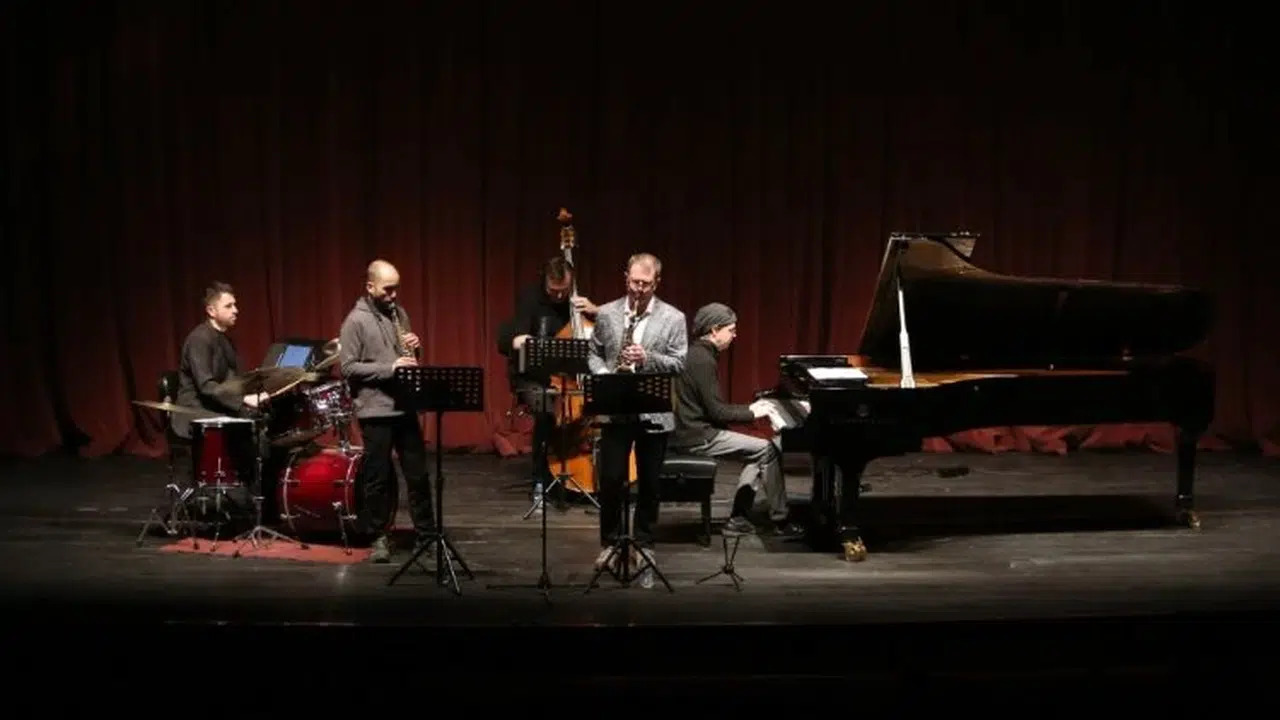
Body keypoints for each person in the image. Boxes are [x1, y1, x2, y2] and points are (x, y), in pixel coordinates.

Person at [587, 253, 687, 581]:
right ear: (625, 278)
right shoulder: (607, 313)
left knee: (649, 483)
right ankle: (610, 542)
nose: (638, 289)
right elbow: (593, 352)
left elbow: (679, 363)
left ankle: (644, 542)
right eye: (634, 282)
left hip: (653, 410)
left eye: (645, 284)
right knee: (611, 479)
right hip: (616, 407)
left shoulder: (674, 318)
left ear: (657, 282)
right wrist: (603, 374)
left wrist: (647, 358)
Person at [671, 303, 802, 537]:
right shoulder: (702, 360)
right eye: (731, 330)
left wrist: (750, 411)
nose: (735, 335)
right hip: (696, 435)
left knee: (760, 450)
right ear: (714, 330)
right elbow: (718, 413)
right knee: (767, 450)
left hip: (693, 430)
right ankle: (780, 519)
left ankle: (739, 518)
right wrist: (753, 412)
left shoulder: (697, 354)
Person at [338, 259, 437, 563]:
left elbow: (405, 359)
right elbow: (348, 367)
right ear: (370, 287)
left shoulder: (399, 313)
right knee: (377, 478)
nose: (394, 296)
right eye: (388, 289)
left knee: (418, 475)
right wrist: (389, 368)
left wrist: (414, 348)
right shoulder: (355, 321)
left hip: (403, 407)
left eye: (396, 289)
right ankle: (378, 536)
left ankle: (427, 535)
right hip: (375, 410)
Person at [495, 256, 599, 500]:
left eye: (564, 290)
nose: (560, 296)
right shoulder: (530, 299)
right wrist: (520, 340)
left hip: (571, 378)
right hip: (534, 377)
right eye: (554, 291)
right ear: (545, 281)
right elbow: (511, 337)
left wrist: (596, 311)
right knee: (546, 411)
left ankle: (587, 473)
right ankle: (540, 478)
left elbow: (605, 334)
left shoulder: (577, 302)